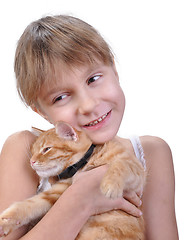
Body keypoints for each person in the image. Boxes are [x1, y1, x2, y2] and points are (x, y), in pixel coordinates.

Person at [0, 15, 178, 240]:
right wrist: (79, 201)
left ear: (114, 67)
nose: (88, 105)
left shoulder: (152, 152)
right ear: (40, 111)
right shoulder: (27, 148)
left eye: (93, 79)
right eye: (61, 97)